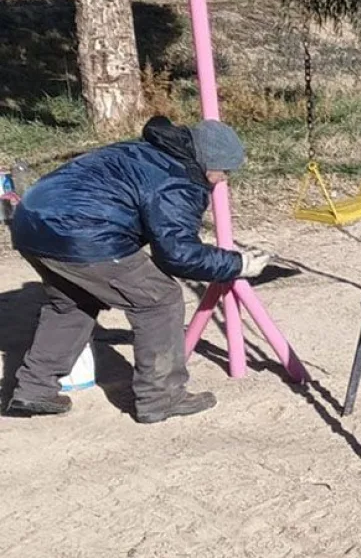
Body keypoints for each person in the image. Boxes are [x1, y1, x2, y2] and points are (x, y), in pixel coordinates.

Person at [5, 116, 271, 423]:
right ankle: (161, 397)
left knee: (72, 302)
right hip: (82, 234)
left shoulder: (146, 151)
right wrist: (238, 263)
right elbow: (177, 254)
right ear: (207, 160)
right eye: (223, 171)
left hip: (30, 222)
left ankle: (34, 390)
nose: (224, 179)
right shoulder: (178, 179)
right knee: (160, 299)